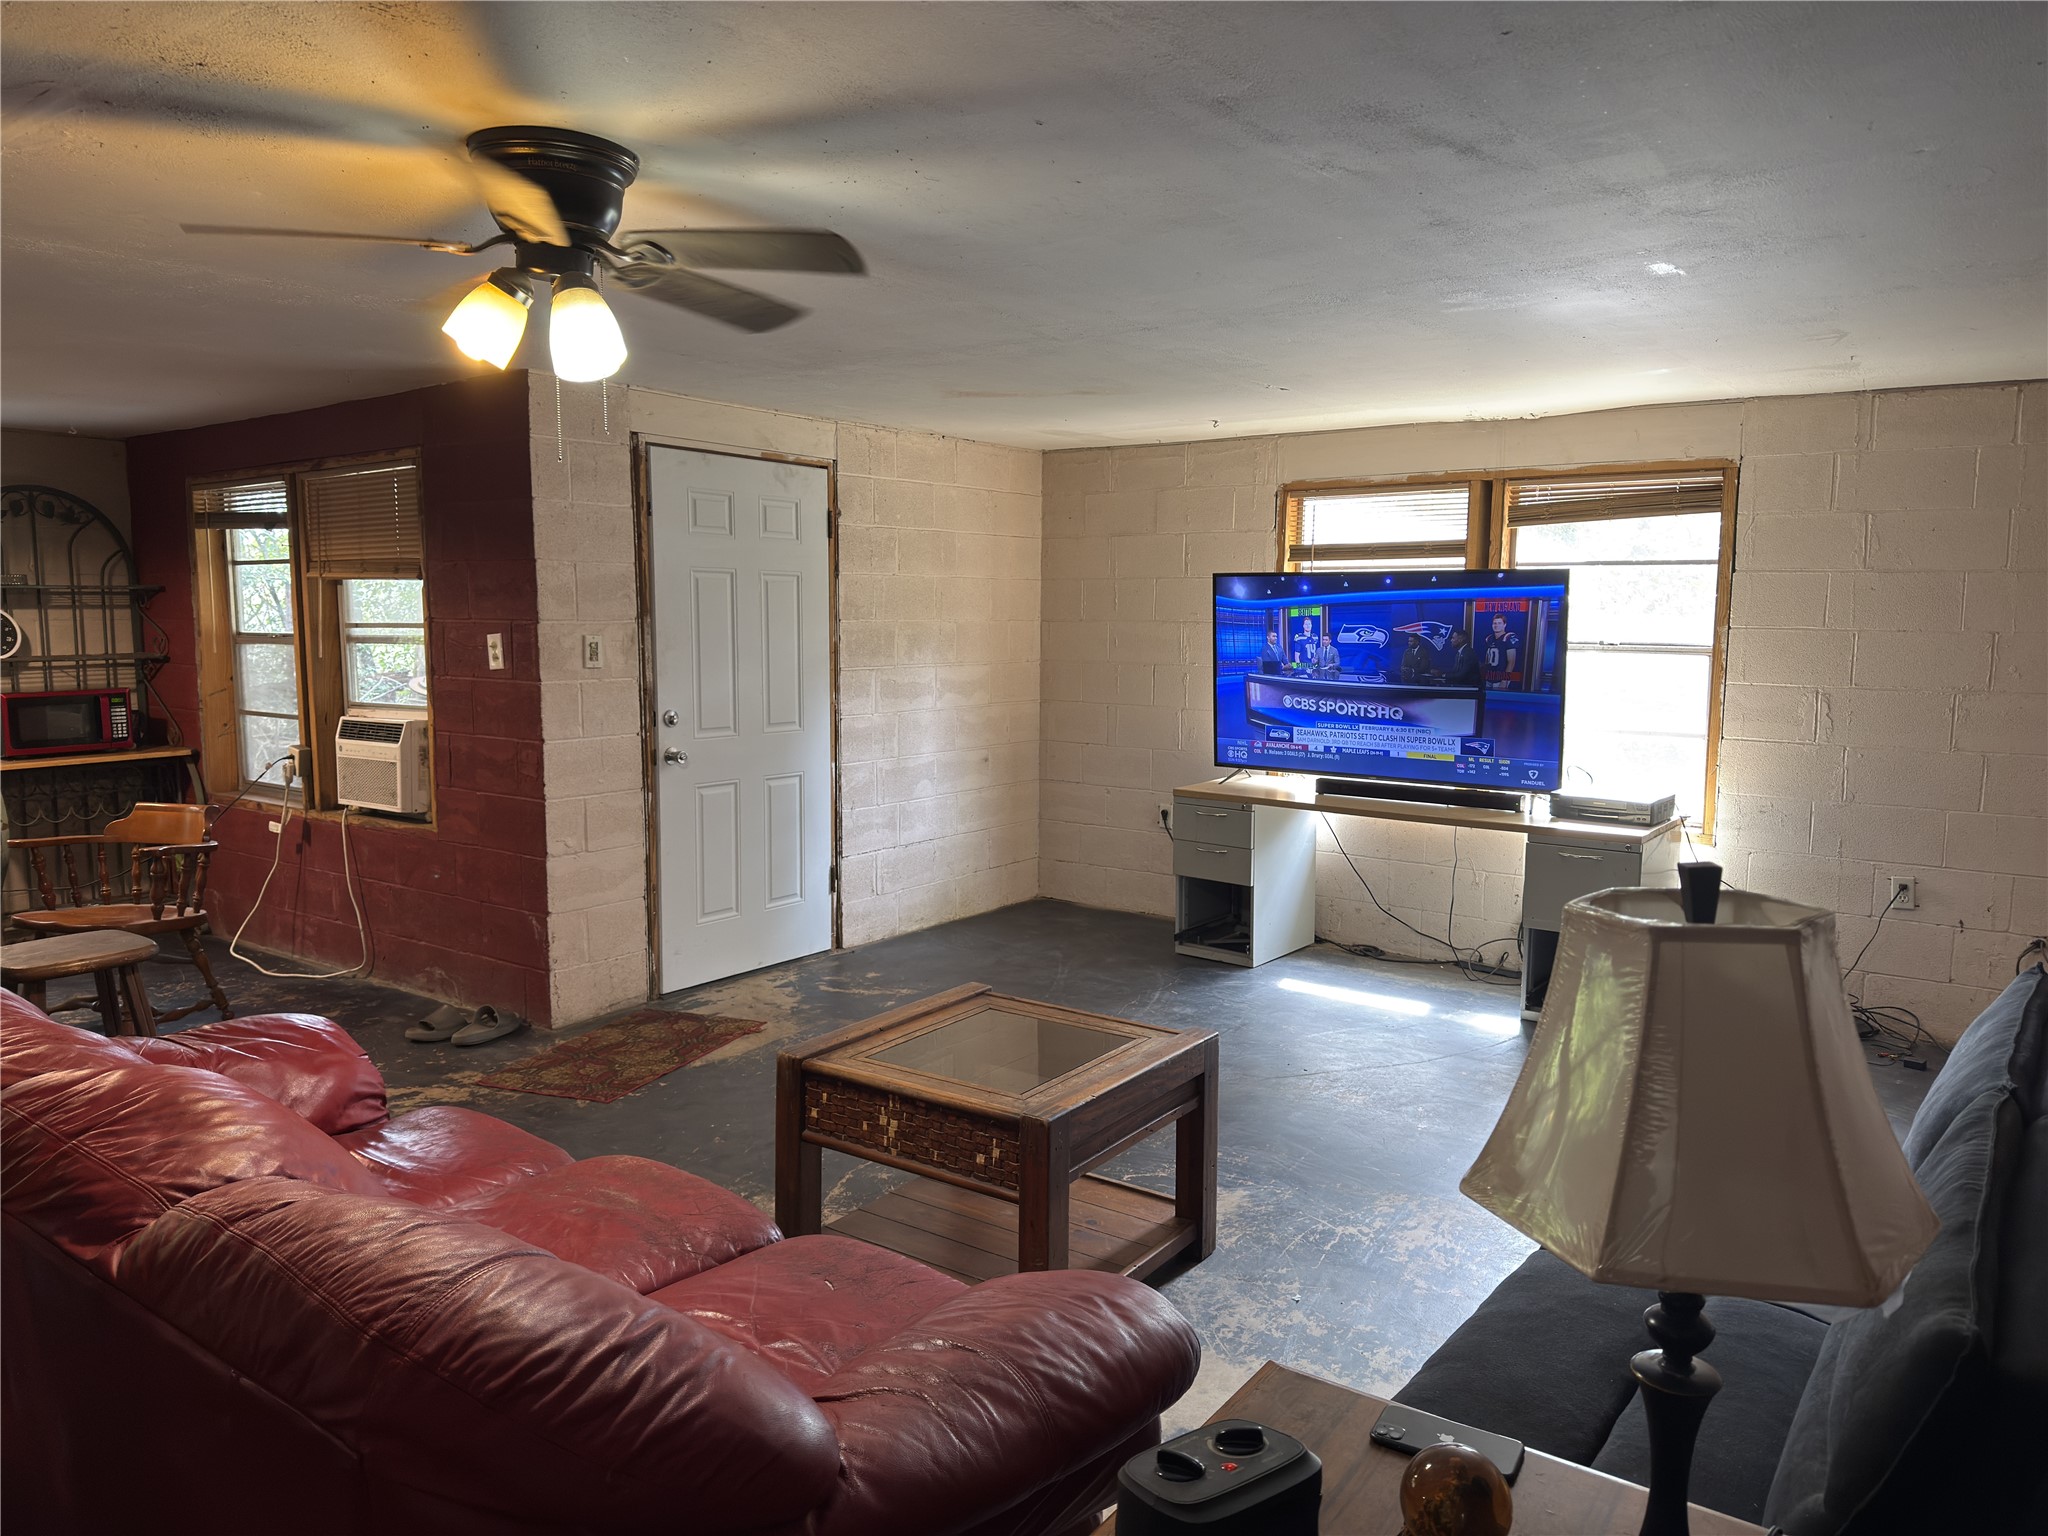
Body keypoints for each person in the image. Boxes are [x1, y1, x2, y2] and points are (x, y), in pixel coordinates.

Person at [1482, 612, 1520, 688]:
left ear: (1504, 625)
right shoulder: (1489, 638)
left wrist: (1505, 680)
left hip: (1501, 678)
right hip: (1489, 677)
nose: (1496, 625)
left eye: (1499, 623)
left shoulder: (1508, 637)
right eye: (1494, 623)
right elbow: (1487, 658)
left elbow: (1511, 662)